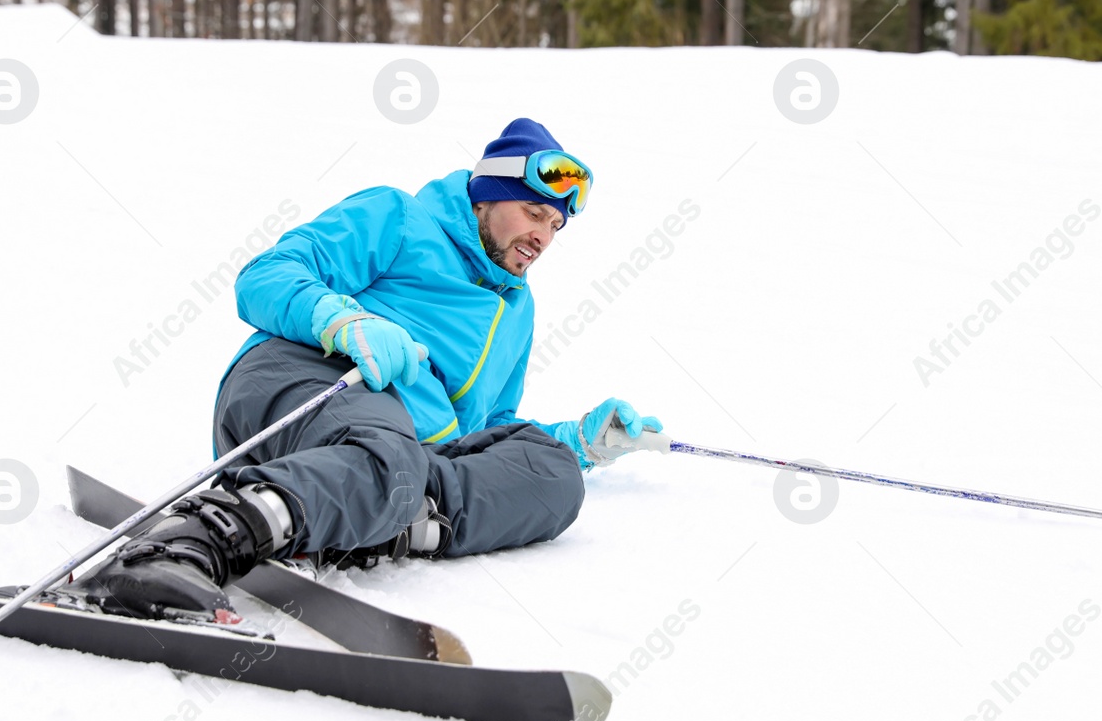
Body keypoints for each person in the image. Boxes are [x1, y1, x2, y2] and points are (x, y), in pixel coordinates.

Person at [74, 119, 663, 619]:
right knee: (392, 454)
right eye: (533, 211)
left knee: (552, 477)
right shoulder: (397, 217)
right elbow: (265, 275)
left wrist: (581, 443)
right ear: (484, 196)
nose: (542, 236)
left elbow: (490, 427)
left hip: (400, 451)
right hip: (308, 376)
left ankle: (377, 514)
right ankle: (181, 546)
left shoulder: (518, 310)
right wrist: (343, 322)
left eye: (555, 226)